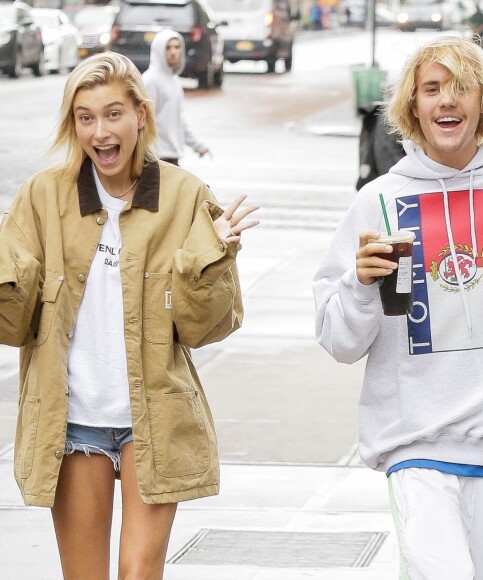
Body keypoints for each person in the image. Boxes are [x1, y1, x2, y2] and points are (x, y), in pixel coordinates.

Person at [313, 36, 483, 579]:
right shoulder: (379, 201)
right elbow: (339, 341)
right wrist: (359, 285)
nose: (447, 101)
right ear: (413, 105)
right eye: (432, 89)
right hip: (418, 446)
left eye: (461, 87)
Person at [0, 51, 259, 579]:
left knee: (140, 571)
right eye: (85, 116)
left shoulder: (184, 195)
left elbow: (207, 328)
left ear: (141, 114)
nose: (100, 131)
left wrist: (210, 262)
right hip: (73, 424)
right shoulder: (42, 196)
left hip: (155, 418)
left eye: (113, 113)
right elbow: (10, 323)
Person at [142, 29, 210, 166]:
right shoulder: (150, 80)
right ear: (158, 50)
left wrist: (196, 145)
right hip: (155, 158)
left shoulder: (174, 81)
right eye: (168, 47)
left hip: (172, 155)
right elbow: (144, 120)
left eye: (177, 47)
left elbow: (178, 118)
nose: (173, 52)